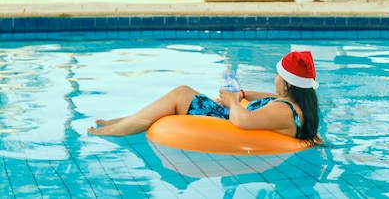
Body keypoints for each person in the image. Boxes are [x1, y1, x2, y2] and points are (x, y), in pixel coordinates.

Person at [88, 50, 320, 144]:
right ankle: (125, 120)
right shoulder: (296, 105)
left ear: (288, 82)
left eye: (277, 75)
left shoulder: (283, 111)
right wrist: (242, 93)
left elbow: (243, 122)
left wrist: (232, 101)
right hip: (228, 113)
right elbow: (270, 97)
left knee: (181, 93)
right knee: (185, 92)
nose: (275, 79)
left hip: (226, 121)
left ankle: (116, 129)